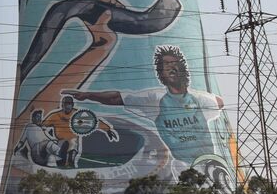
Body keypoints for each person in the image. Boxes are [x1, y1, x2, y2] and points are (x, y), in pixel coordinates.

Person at [65, 45, 225, 168]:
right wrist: (87, 95)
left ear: (183, 68)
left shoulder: (200, 99)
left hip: (211, 163)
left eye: (174, 64)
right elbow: (117, 98)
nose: (171, 68)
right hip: (184, 166)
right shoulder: (155, 99)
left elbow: (220, 102)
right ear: (160, 74)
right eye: (166, 65)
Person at [38, 96, 118, 168]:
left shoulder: (77, 115)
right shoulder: (55, 115)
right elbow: (44, 125)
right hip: (61, 142)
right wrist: (42, 128)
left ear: (72, 105)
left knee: (73, 143)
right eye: (66, 104)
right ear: (62, 105)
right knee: (59, 159)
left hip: (72, 141)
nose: (67, 106)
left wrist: (107, 130)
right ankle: (60, 162)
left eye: (69, 104)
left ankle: (70, 163)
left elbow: (92, 122)